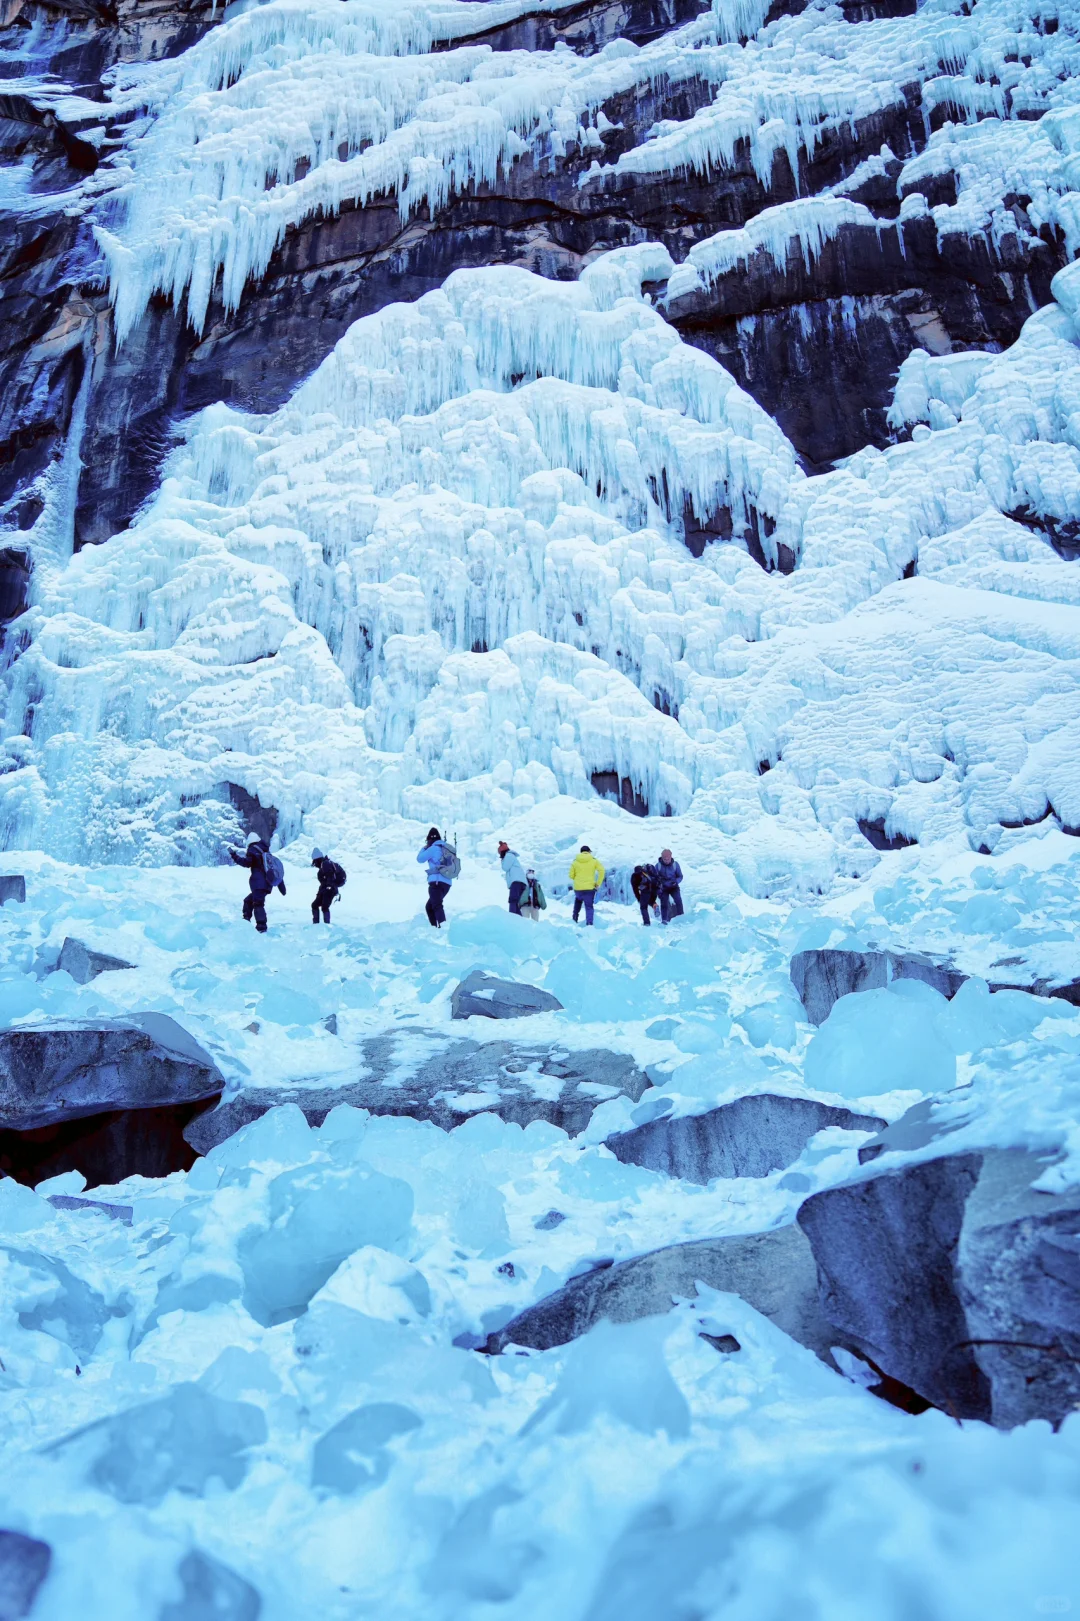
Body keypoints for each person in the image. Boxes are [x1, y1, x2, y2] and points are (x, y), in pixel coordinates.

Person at [229, 832, 286, 934]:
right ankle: (245, 921)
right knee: (248, 900)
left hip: (259, 884)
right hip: (266, 884)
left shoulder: (253, 850)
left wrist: (234, 856)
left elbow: (247, 863)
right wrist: (281, 886)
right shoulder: (265, 852)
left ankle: (261, 927)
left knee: (258, 904)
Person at [417, 827, 456, 927]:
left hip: (437, 882)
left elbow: (420, 859)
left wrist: (425, 847)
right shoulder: (445, 848)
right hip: (447, 883)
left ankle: (442, 929)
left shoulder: (433, 848)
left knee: (436, 906)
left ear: (429, 839)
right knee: (430, 906)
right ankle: (435, 928)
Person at [568, 844, 605, 926]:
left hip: (578, 888)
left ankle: (574, 920)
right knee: (589, 907)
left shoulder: (575, 861)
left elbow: (570, 875)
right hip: (589, 888)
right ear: (588, 852)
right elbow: (602, 871)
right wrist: (598, 884)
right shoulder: (594, 860)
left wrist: (578, 879)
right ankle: (589, 924)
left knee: (577, 902)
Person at [310, 848, 346, 924]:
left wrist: (328, 887)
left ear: (317, 859)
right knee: (315, 905)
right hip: (326, 889)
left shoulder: (326, 864)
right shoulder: (323, 866)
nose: (315, 865)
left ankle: (326, 926)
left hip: (330, 889)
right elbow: (324, 881)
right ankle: (316, 925)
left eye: (315, 862)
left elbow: (330, 876)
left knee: (324, 907)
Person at [497, 840, 527, 915]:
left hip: (516, 881)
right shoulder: (511, 856)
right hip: (520, 882)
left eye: (500, 854)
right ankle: (518, 919)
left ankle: (512, 917)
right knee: (516, 902)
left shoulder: (508, 855)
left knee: (513, 900)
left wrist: (502, 860)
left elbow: (505, 867)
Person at [656, 849, 684, 923]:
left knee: (678, 900)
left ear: (671, 856)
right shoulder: (658, 866)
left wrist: (676, 882)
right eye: (664, 859)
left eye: (668, 859)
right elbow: (655, 878)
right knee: (664, 902)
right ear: (662, 858)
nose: (666, 860)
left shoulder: (675, 865)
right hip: (664, 887)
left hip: (673, 886)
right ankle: (664, 920)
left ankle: (681, 917)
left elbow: (680, 876)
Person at [631, 862, 659, 926]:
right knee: (651, 901)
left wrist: (639, 899)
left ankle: (647, 923)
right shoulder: (646, 873)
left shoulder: (634, 876)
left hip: (645, 890)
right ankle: (655, 905)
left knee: (643, 907)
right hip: (654, 890)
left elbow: (635, 890)